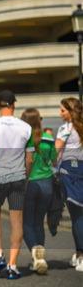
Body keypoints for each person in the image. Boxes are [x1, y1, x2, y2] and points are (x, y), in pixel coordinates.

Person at [0, 90, 34, 280]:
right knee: (16, 221)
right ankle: (12, 265)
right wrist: (24, 177)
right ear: (13, 104)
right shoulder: (26, 128)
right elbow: (29, 159)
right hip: (18, 178)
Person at [21, 108, 56, 275]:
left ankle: (36, 255)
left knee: (26, 223)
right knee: (38, 222)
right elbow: (54, 161)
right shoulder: (48, 138)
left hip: (29, 184)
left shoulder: (23, 139)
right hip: (47, 183)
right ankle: (39, 258)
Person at [55, 97, 83, 272]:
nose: (60, 113)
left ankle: (81, 255)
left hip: (70, 173)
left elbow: (55, 151)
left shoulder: (65, 128)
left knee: (77, 216)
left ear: (70, 111)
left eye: (63, 110)